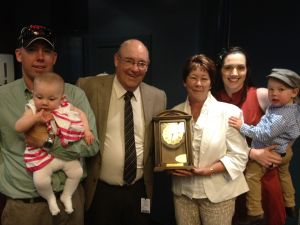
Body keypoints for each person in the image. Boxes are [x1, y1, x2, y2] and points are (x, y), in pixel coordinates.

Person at [0, 24, 99, 225]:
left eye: (46, 51)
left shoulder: (74, 95)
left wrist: (48, 142)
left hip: (70, 203)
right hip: (24, 208)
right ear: (19, 55)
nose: (40, 57)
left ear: (54, 58)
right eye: (31, 50)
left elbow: (92, 146)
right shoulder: (3, 98)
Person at [77, 39, 167, 225]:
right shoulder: (89, 87)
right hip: (100, 191)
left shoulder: (157, 97)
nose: (135, 68)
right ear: (116, 60)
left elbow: (160, 143)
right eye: (129, 61)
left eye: (141, 63)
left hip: (139, 190)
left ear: (147, 67)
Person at [169, 54, 249, 225]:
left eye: (204, 78)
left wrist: (209, 170)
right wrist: (170, 167)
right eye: (193, 78)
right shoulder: (173, 114)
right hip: (183, 193)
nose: (199, 83)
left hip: (219, 194)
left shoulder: (230, 113)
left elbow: (240, 156)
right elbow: (169, 151)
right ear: (185, 81)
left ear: (211, 82)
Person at [212, 46, 288, 225]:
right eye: (228, 67)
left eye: (241, 67)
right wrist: (253, 153)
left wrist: (282, 149)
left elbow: (292, 116)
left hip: (262, 179)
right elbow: (212, 143)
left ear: (247, 70)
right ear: (220, 70)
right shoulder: (212, 100)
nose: (234, 73)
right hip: (227, 178)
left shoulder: (261, 95)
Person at [15, 72, 95, 215]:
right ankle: (50, 198)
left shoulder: (65, 106)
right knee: (39, 180)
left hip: (63, 154)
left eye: (51, 99)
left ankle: (67, 195)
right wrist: (34, 119)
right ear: (33, 94)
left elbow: (81, 114)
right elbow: (18, 127)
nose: (44, 102)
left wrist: (87, 131)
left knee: (77, 172)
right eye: (39, 97)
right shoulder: (33, 109)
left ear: (61, 98)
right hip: (42, 156)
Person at [228, 68, 300, 222]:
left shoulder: (282, 115)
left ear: (294, 92)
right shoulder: (289, 107)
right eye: (271, 89)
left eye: (281, 89)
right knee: (284, 175)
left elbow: (263, 134)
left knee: (252, 176)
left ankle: (254, 210)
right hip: (283, 150)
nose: (274, 93)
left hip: (273, 151)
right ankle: (290, 203)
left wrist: (242, 126)